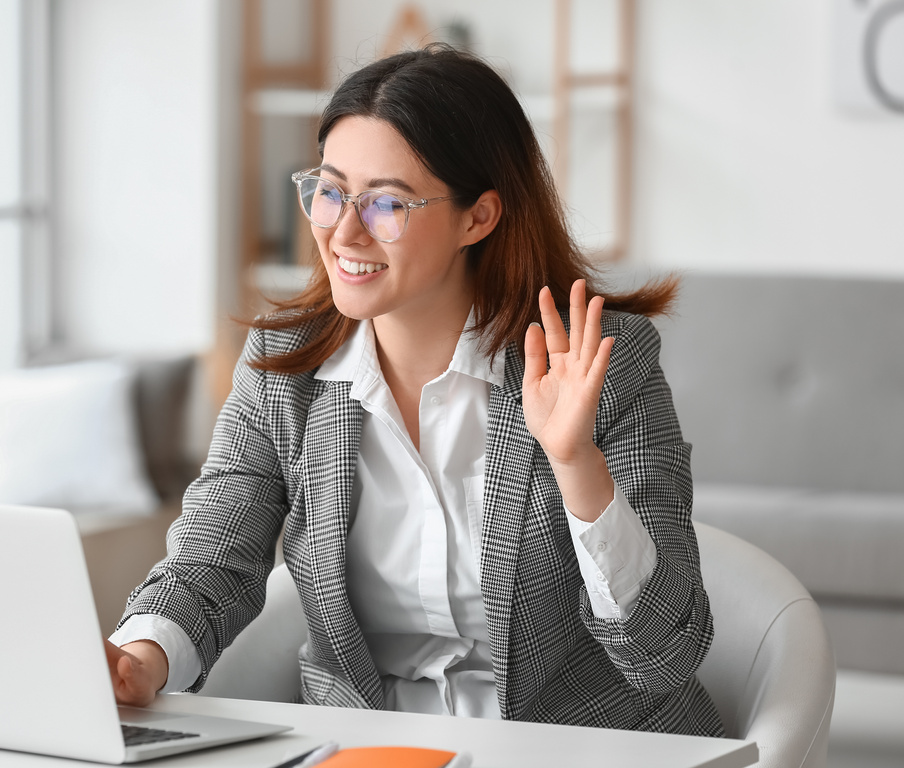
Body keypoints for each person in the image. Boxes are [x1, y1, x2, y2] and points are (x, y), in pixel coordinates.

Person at [103, 44, 723, 736]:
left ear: (478, 217)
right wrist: (139, 658)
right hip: (373, 752)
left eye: (387, 204)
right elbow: (212, 561)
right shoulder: (285, 369)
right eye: (330, 190)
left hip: (583, 750)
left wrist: (577, 464)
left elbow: (665, 656)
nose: (342, 231)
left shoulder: (601, 361)